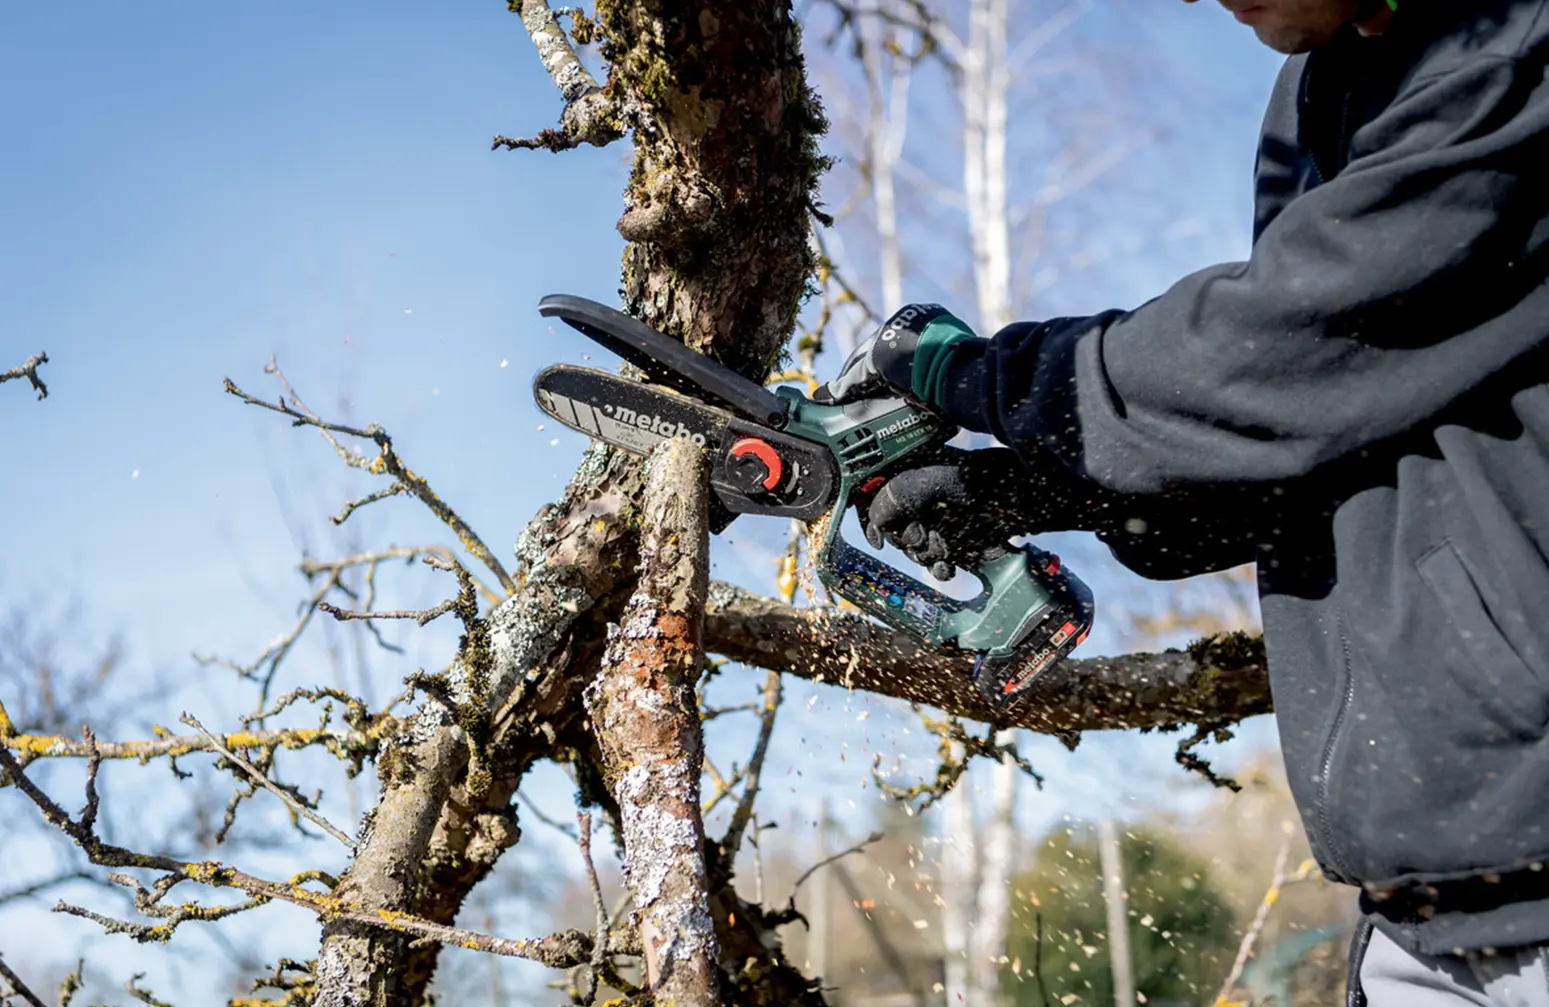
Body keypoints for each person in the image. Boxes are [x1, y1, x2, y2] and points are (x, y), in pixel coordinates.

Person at [814, 1, 1549, 1003]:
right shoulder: (1323, 81)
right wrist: (1019, 489)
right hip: (1417, 903)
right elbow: (1302, 437)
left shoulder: (1514, 47)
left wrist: (974, 374)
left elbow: (1284, 344)